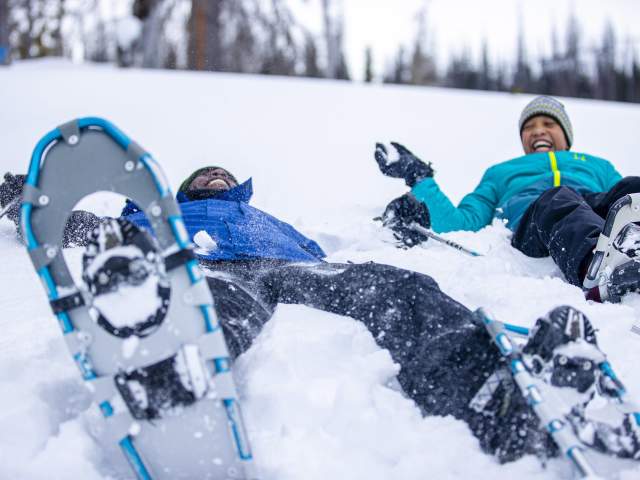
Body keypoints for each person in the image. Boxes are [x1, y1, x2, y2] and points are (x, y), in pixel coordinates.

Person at [1, 166, 639, 466]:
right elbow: (76, 225)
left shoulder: (269, 219)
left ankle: (485, 389)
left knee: (400, 287)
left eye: (225, 175)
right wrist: (23, 202)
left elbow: (332, 252)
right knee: (212, 307)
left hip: (288, 268)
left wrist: (397, 232)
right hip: (204, 267)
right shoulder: (155, 216)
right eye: (208, 177)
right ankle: (167, 375)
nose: (219, 180)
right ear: (190, 189)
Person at [375, 95, 640, 302]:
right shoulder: (501, 172)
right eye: (529, 127)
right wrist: (420, 178)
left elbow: (625, 205)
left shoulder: (598, 166)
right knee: (558, 198)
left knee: (631, 187)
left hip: (590, 207)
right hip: (535, 222)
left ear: (566, 134)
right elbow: (462, 222)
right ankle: (599, 271)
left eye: (548, 124)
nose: (538, 131)